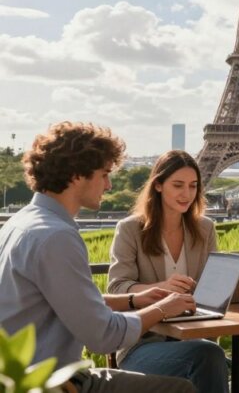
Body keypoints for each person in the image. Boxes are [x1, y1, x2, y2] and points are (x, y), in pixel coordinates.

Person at [0, 121, 197, 393]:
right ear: (77, 175)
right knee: (181, 389)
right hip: (52, 384)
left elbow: (66, 299)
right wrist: (163, 308)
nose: (109, 184)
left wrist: (133, 299)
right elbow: (104, 336)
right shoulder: (57, 237)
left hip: (21, 378)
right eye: (104, 174)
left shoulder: (22, 223)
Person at [107, 150, 228, 393]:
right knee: (210, 357)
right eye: (178, 185)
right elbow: (117, 287)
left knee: (214, 358)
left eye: (193, 186)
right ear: (159, 185)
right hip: (142, 344)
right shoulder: (130, 229)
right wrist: (162, 287)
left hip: (193, 337)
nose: (187, 194)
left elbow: (212, 286)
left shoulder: (205, 228)